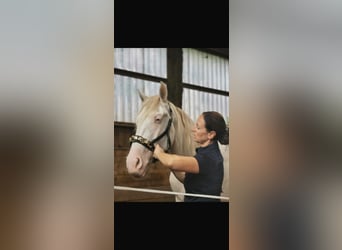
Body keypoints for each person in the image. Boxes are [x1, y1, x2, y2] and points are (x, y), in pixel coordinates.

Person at [153, 111, 229, 202]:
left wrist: (159, 153)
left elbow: (171, 162)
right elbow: (185, 178)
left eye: (198, 127)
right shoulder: (206, 153)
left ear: (211, 134)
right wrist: (171, 164)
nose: (193, 129)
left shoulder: (208, 158)